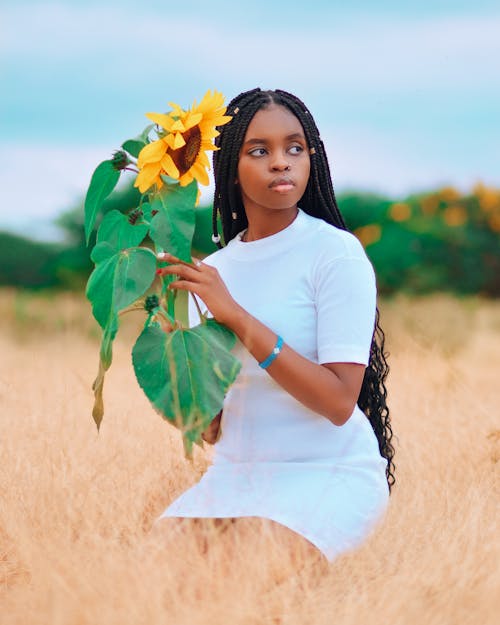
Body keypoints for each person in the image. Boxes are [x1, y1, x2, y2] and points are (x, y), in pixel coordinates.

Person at [152, 88, 395, 564]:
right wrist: (173, 369)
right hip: (234, 478)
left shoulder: (335, 254)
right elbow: (212, 430)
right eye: (259, 151)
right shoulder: (213, 273)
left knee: (237, 580)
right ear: (229, 167)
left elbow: (339, 401)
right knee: (139, 586)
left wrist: (238, 318)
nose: (281, 162)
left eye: (294, 148)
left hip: (326, 474)